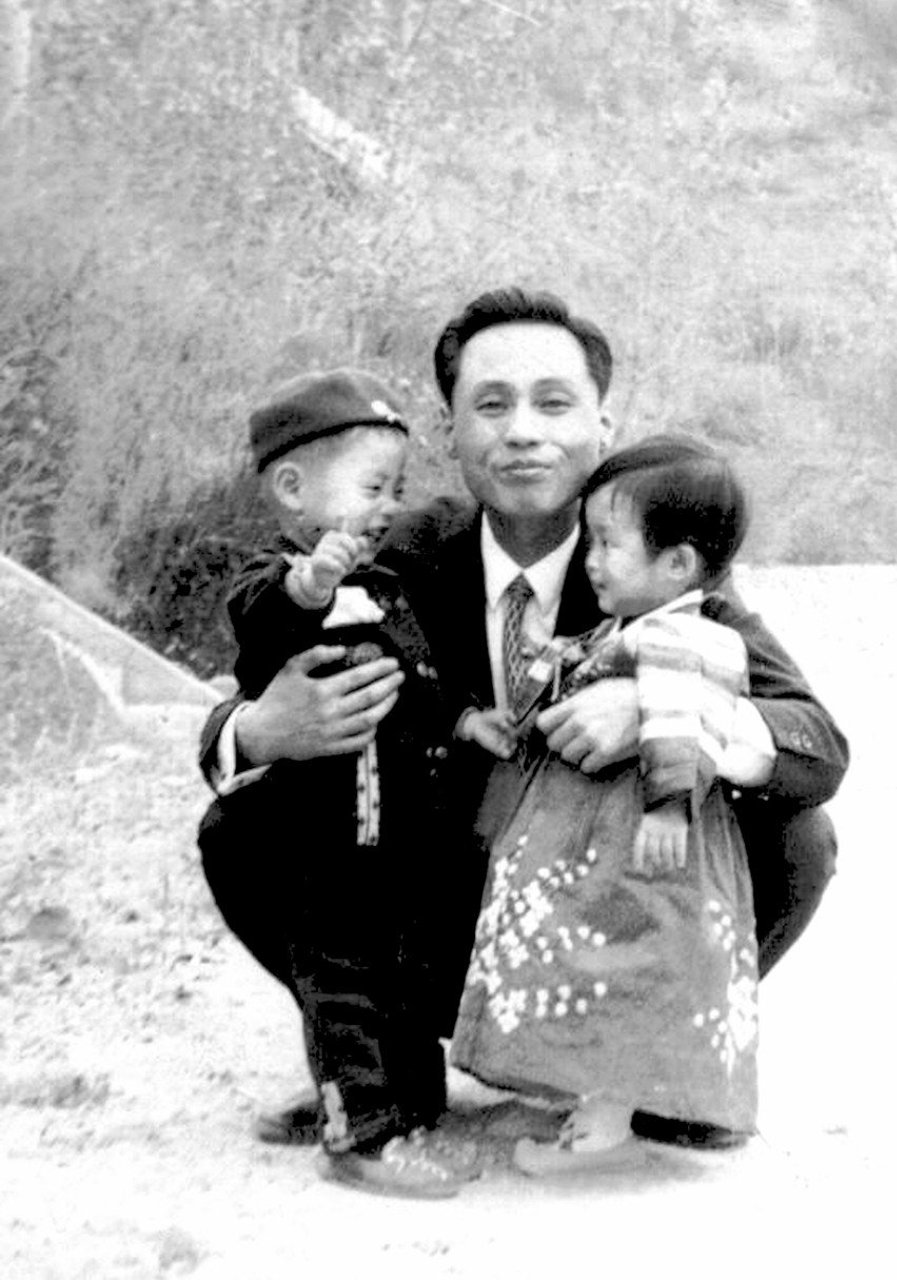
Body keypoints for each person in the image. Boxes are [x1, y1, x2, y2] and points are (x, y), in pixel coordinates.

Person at [197, 287, 849, 1156]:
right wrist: (260, 728)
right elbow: (233, 706)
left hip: (592, 896)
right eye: (490, 405)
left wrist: (660, 706)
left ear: (603, 426)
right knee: (244, 825)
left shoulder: (652, 563)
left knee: (799, 840)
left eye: (554, 402)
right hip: (437, 896)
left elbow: (814, 741)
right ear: (453, 433)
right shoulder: (389, 552)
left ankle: (651, 1065)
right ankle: (374, 1065)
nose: (522, 431)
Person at [200, 368, 477, 1198]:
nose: (391, 504)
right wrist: (309, 584)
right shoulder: (272, 580)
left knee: (390, 970)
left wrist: (465, 721)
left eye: (398, 487)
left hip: (399, 832)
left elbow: (422, 679)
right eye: (373, 487)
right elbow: (259, 637)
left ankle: (404, 1096)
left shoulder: (387, 581)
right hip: (320, 837)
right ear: (293, 488)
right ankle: (359, 1130)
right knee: (341, 976)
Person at [452, 435, 760, 1174]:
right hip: (596, 832)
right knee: (584, 958)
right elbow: (590, 662)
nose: (589, 559)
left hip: (639, 837)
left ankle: (607, 1123)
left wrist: (667, 804)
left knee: (627, 961)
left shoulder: (692, 637)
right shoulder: (639, 627)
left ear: (677, 564)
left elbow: (683, 715)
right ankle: (575, 1090)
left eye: (608, 544)